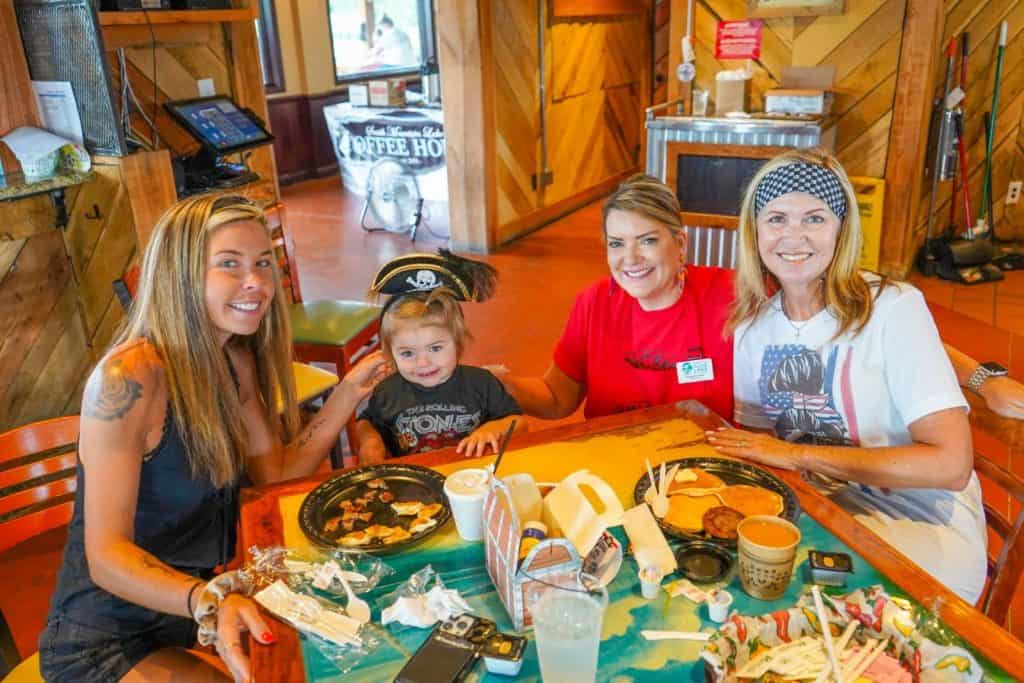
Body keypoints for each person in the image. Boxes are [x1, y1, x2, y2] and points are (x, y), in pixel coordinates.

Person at [38, 196, 387, 683]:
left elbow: (277, 475)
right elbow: (106, 557)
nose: (258, 283)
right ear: (180, 275)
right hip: (107, 635)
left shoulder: (234, 361)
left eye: (264, 263)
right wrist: (208, 600)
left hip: (199, 604)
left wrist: (347, 394)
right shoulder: (129, 377)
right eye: (230, 264)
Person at [706, 149, 987, 602]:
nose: (793, 236)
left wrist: (797, 457)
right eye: (776, 218)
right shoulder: (752, 326)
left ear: (842, 230)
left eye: (814, 219)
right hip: (819, 511)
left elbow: (951, 465)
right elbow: (762, 451)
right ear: (754, 232)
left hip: (920, 522)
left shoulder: (893, 309)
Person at [489, 174, 736, 422]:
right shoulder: (593, 303)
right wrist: (496, 385)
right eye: (617, 244)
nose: (630, 258)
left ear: (680, 243)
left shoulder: (732, 295)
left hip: (703, 456)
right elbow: (557, 398)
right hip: (617, 453)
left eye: (647, 241)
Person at [356, 251, 526, 462]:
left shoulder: (482, 383)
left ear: (458, 342)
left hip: (474, 480)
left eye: (435, 348)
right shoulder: (387, 392)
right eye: (408, 353)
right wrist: (370, 440)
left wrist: (493, 429)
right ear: (390, 353)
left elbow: (518, 422)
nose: (423, 362)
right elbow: (366, 422)